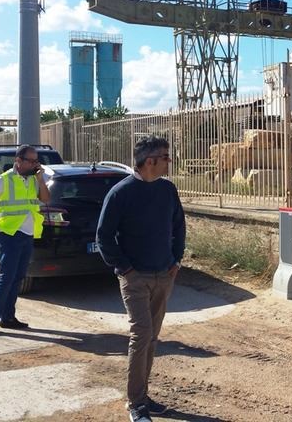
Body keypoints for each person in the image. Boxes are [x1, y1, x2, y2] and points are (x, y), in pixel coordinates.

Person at [96, 135, 185, 422]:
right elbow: (103, 237)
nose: (169, 162)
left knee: (152, 337)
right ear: (150, 161)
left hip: (164, 274)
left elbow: (178, 226)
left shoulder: (168, 190)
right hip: (135, 278)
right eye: (166, 157)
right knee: (142, 334)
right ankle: (136, 403)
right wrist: (126, 269)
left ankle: (143, 395)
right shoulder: (121, 193)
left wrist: (176, 259)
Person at [0, 145, 50, 337]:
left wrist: (40, 179)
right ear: (18, 161)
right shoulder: (4, 179)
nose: (35, 164)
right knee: (7, 277)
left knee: (18, 277)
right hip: (9, 234)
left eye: (36, 160)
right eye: (31, 161)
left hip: (27, 234)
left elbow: (46, 199)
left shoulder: (34, 179)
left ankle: (8, 318)